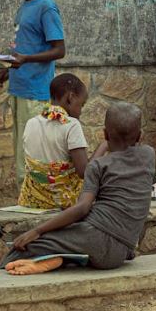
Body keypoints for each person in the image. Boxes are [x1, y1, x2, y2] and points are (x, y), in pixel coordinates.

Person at [1, 102, 155, 274]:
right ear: (140, 136)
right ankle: (60, 259)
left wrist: (37, 231)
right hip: (122, 251)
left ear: (105, 134)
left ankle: (43, 258)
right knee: (71, 239)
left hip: (94, 236)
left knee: (26, 246)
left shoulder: (99, 166)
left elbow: (82, 208)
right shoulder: (149, 155)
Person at [0, 0, 66, 187]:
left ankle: (36, 205)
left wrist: (25, 60)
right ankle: (28, 201)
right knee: (22, 155)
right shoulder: (27, 4)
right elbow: (27, 45)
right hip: (20, 87)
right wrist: (9, 70)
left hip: (36, 93)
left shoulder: (46, 7)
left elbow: (59, 49)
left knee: (34, 158)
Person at [18, 73, 108, 210]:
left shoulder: (31, 123)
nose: (81, 111)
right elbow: (84, 172)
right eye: (82, 104)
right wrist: (105, 144)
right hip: (63, 202)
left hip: (32, 199)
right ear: (71, 98)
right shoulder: (71, 124)